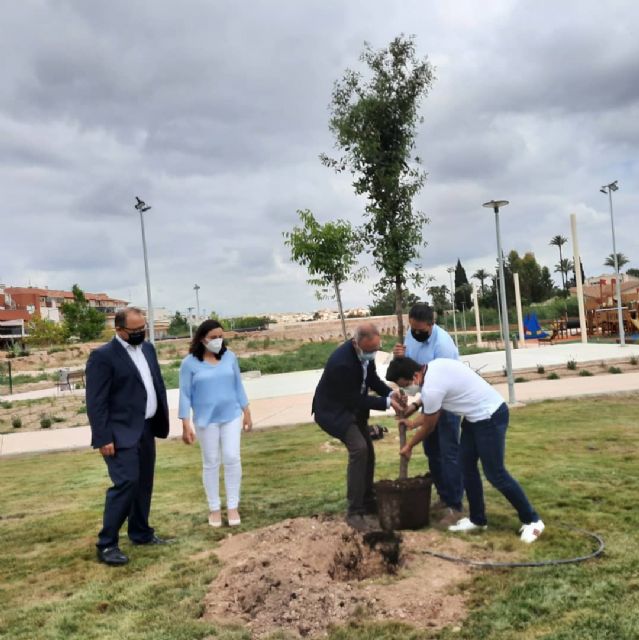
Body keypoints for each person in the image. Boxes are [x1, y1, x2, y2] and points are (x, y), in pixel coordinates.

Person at [386, 357, 545, 543]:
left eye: (405, 385)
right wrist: (412, 423)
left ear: (414, 375)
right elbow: (431, 409)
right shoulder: (433, 368)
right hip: (474, 418)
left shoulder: (432, 387)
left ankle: (533, 520)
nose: (407, 390)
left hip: (490, 416)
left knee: (495, 473)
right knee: (466, 466)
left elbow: (429, 424)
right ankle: (477, 520)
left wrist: (409, 446)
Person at [86, 306, 171, 566]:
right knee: (126, 483)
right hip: (119, 433)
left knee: (144, 483)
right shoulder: (103, 356)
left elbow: (155, 384)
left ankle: (141, 533)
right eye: (135, 330)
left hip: (146, 428)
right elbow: (96, 401)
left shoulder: (147, 349)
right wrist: (102, 437)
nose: (141, 334)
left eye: (143, 328)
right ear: (119, 330)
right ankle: (107, 543)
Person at [312, 323, 406, 532]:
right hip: (334, 412)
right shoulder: (341, 363)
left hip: (353, 410)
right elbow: (354, 399)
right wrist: (386, 404)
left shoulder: (365, 355)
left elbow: (371, 379)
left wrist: (390, 393)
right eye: (369, 351)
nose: (372, 354)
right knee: (359, 449)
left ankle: (368, 501)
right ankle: (354, 512)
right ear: (356, 343)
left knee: (369, 452)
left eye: (376, 349)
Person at [393, 303, 464, 527]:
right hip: (430, 396)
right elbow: (411, 371)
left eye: (420, 330)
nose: (415, 333)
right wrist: (399, 357)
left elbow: (442, 385)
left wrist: (409, 443)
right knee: (432, 451)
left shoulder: (443, 346)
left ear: (431, 325)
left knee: (448, 453)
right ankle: (444, 497)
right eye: (413, 328)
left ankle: (455, 506)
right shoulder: (411, 333)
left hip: (448, 401)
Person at [179, 320, 252, 528]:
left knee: (232, 457)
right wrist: (185, 422)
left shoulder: (229, 358)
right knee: (211, 461)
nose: (218, 340)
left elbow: (238, 385)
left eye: (221, 336)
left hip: (231, 416)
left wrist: (246, 410)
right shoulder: (189, 364)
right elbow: (185, 395)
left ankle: (232, 506)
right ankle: (214, 508)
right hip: (205, 420)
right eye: (213, 337)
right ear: (202, 339)